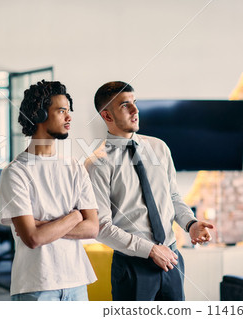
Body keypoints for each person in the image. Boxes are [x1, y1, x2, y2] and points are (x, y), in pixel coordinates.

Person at [85, 81, 214, 301]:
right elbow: (101, 227)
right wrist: (150, 250)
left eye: (134, 103)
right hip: (133, 266)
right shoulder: (97, 164)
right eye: (125, 105)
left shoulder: (159, 148)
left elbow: (172, 197)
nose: (135, 110)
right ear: (107, 116)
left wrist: (190, 224)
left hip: (172, 259)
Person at [0, 80, 99, 301]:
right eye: (61, 111)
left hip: (77, 284)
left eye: (68, 111)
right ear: (40, 114)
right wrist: (74, 216)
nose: (69, 117)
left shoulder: (74, 167)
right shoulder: (16, 172)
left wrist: (47, 227)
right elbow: (33, 238)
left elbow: (92, 228)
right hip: (37, 287)